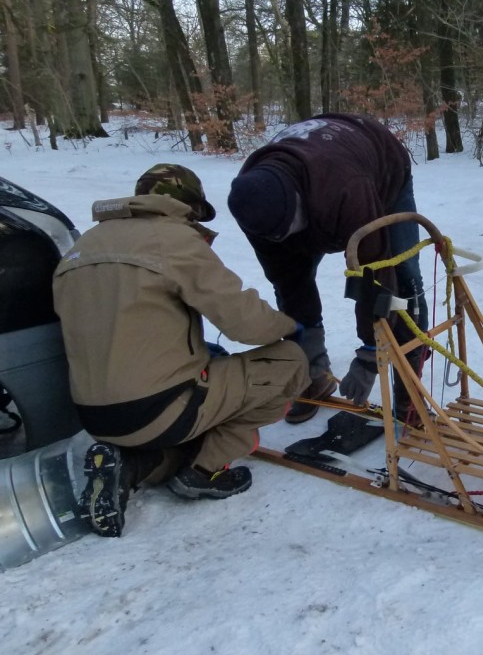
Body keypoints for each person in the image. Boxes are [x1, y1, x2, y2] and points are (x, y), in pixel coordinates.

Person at [52, 164, 310, 538]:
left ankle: (132, 465)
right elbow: (246, 324)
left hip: (96, 418)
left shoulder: (80, 248)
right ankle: (204, 470)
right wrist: (292, 327)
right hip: (161, 407)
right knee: (288, 362)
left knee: (202, 369)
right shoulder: (173, 240)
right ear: (188, 208)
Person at [226, 114, 429, 424]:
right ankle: (314, 376)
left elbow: (375, 277)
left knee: (402, 276)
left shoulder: (345, 189)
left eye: (290, 228)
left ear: (297, 201)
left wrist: (369, 352)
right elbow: (288, 280)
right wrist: (308, 349)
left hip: (381, 170)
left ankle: (409, 391)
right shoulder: (251, 202)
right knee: (292, 278)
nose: (289, 239)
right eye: (280, 235)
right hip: (320, 181)